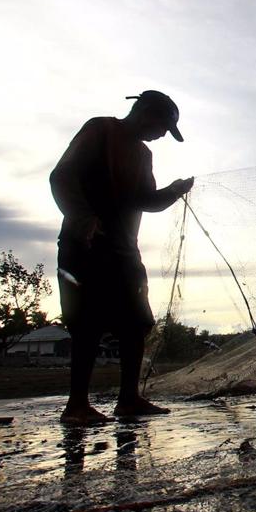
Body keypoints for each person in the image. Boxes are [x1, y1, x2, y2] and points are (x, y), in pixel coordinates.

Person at [51, 90, 194, 425]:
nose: (161, 136)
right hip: (84, 244)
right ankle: (77, 406)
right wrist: (83, 218)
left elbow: (146, 199)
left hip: (124, 249)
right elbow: (62, 176)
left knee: (136, 322)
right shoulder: (100, 129)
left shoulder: (144, 155)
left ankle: (129, 399)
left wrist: (173, 191)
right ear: (144, 112)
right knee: (86, 323)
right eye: (162, 127)